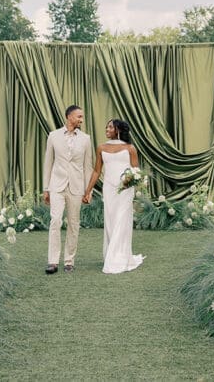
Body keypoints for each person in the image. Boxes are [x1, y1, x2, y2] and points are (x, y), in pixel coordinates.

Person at [84, 118, 144, 274]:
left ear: (118, 129)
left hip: (125, 190)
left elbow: (136, 171)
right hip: (109, 189)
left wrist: (130, 182)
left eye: (110, 127)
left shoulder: (130, 148)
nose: (106, 129)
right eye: (106, 127)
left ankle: (119, 258)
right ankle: (112, 254)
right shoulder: (101, 147)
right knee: (111, 220)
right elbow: (97, 171)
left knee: (122, 221)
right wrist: (88, 190)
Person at [42, 105, 93, 274]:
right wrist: (46, 188)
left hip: (77, 187)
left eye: (82, 117)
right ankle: (52, 261)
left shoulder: (86, 139)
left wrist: (88, 190)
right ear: (69, 117)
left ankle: (69, 261)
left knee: (73, 224)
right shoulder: (53, 136)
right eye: (79, 116)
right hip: (57, 185)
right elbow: (48, 163)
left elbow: (87, 167)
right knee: (55, 220)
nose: (81, 119)